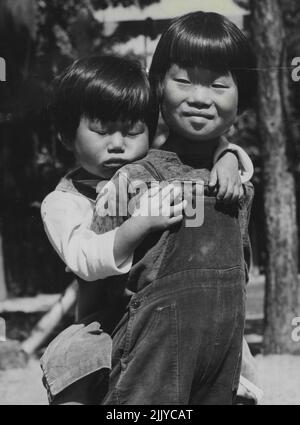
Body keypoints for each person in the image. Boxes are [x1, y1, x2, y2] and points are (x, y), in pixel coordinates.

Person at [40, 52, 255, 404]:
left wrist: (229, 157)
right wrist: (140, 224)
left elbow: (202, 149)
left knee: (232, 356)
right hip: (105, 316)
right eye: (101, 130)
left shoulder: (151, 170)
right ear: (67, 134)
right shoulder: (63, 201)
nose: (118, 144)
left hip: (170, 306)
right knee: (71, 358)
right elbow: (84, 257)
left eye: (133, 131)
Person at [90, 12, 258, 405]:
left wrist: (230, 156)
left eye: (219, 85)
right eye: (183, 80)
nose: (200, 98)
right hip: (149, 368)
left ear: (242, 97)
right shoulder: (132, 178)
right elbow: (96, 282)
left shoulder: (241, 185)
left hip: (220, 360)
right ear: (158, 85)